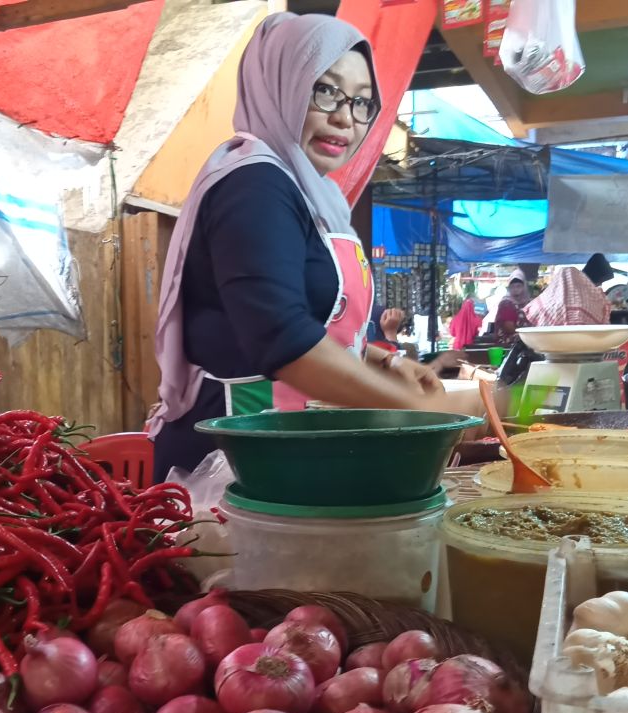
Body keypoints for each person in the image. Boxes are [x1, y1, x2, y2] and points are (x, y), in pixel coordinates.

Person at [148, 14, 452, 481]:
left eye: (362, 102)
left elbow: (306, 318)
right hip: (229, 461)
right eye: (325, 90)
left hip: (283, 446)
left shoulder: (309, 193)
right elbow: (282, 338)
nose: (345, 118)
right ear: (279, 81)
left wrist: (387, 361)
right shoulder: (253, 183)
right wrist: (416, 409)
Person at [523, 266, 611, 327]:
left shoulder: (545, 303)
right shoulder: (590, 304)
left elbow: (534, 312)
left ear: (557, 282)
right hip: (586, 346)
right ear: (579, 281)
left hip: (552, 347)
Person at [489, 269, 531, 344]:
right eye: (512, 287)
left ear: (524, 287)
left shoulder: (527, 302)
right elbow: (508, 327)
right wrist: (527, 333)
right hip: (507, 341)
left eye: (518, 286)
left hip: (522, 337)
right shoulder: (506, 303)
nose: (515, 289)